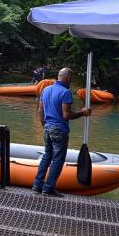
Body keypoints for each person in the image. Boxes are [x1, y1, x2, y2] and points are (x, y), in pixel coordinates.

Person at [32, 67, 92, 197]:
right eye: (72, 78)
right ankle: (48, 189)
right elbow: (66, 115)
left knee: (47, 156)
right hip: (59, 129)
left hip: (47, 128)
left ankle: (37, 185)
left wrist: (45, 125)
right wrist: (83, 113)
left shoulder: (45, 90)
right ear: (69, 77)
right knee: (58, 159)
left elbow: (40, 111)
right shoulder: (65, 92)